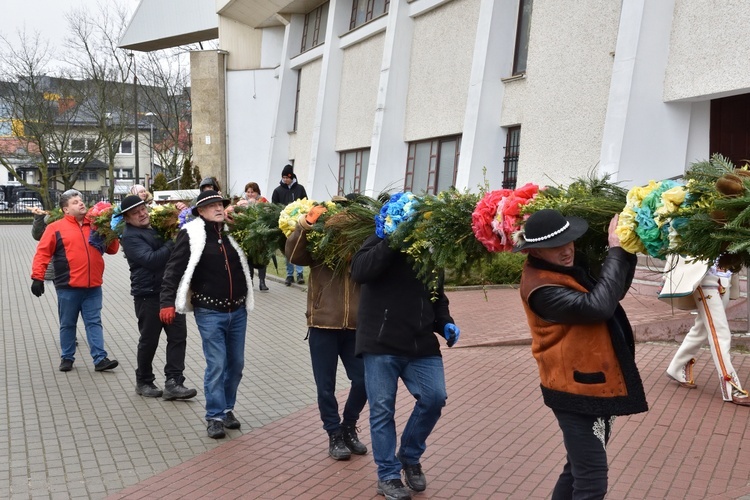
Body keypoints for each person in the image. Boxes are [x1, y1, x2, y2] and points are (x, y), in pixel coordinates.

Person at [515, 209, 648, 499]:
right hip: (575, 392)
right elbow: (598, 306)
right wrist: (614, 253)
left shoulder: (560, 270)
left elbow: (612, 295)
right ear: (536, 250)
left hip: (593, 385)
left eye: (569, 241)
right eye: (555, 246)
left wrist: (627, 250)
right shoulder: (542, 287)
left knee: (577, 469)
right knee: (591, 480)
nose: (566, 251)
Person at [351, 232, 460, 500]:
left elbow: (437, 295)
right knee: (382, 410)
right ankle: (388, 475)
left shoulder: (428, 249)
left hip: (420, 345)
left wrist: (444, 322)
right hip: (380, 343)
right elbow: (360, 271)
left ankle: (409, 456)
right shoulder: (376, 242)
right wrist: (391, 240)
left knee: (435, 397)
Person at [160, 190, 254, 439]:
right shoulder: (191, 233)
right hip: (209, 311)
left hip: (238, 310)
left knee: (236, 365)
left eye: (220, 204)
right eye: (212, 205)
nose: (219, 208)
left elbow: (249, 262)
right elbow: (173, 269)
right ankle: (214, 416)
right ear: (200, 211)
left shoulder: (233, 233)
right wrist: (167, 302)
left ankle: (227, 407)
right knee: (217, 363)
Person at [285, 201, 368, 461]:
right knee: (325, 387)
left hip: (355, 327)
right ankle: (333, 434)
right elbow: (294, 255)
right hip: (323, 324)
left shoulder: (361, 246)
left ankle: (347, 426)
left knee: (364, 381)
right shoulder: (319, 243)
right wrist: (305, 225)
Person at [30, 189, 120, 372]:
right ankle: (67, 357)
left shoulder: (95, 226)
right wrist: (37, 277)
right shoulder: (55, 228)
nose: (80, 203)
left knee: (94, 322)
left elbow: (112, 250)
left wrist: (110, 230)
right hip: (68, 287)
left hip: (93, 286)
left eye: (81, 200)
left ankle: (100, 359)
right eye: (74, 202)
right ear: (65, 210)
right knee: (68, 323)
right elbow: (42, 253)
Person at [119, 195, 198, 401]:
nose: (142, 214)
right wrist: (174, 241)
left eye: (143, 209)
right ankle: (144, 381)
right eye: (136, 213)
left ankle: (174, 382)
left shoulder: (155, 228)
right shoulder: (130, 236)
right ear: (127, 218)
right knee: (149, 340)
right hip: (148, 295)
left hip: (170, 293)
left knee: (178, 338)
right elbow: (151, 260)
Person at [661, 255, 750, 405]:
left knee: (702, 328)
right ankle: (731, 386)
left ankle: (676, 367)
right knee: (720, 332)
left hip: (724, 275)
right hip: (704, 276)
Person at [271, 164, 308, 286]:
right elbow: (274, 207)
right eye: (283, 178)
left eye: (287, 177)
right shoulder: (277, 191)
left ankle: (300, 274)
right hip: (285, 226)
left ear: (292, 177)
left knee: (299, 248)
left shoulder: (300, 189)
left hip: (298, 225)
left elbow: (306, 203)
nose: (285, 180)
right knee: (288, 250)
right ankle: (289, 275)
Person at [236, 182, 270, 291]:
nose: (250, 194)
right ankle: (249, 282)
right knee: (248, 258)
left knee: (262, 258)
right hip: (247, 233)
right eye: (248, 192)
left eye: (253, 192)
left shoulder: (263, 201)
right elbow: (237, 215)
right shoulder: (241, 201)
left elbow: (268, 213)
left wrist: (256, 204)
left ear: (257, 192)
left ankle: (262, 281)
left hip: (260, 233)